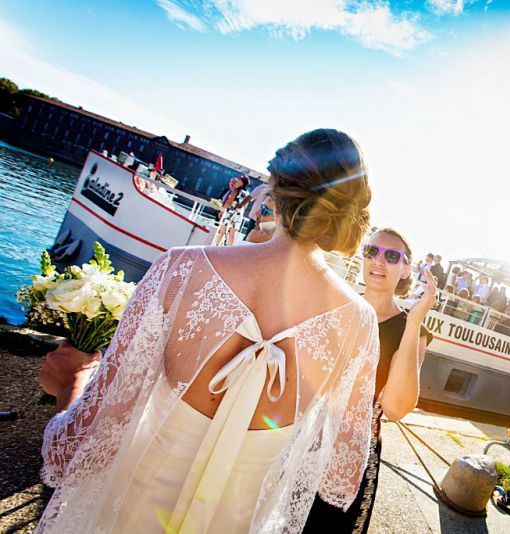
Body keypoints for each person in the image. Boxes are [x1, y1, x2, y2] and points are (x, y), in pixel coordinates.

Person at [36, 129, 379, 533]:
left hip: (133, 513)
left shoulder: (181, 269)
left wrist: (71, 384)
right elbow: (340, 478)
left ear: (275, 187)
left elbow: (83, 443)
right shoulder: (359, 323)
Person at [304, 228, 434, 533]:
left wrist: (414, 321)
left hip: (352, 458)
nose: (379, 261)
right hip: (306, 440)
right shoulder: (339, 308)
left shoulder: (411, 330)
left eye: (392, 256)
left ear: (406, 270)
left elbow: (395, 408)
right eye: (372, 251)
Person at [214, 174, 251, 246]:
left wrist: (222, 210)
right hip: (239, 214)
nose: (237, 181)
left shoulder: (236, 190)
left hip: (230, 212)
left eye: (239, 180)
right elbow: (245, 206)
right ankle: (228, 249)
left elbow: (229, 201)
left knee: (223, 230)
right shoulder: (247, 194)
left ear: (241, 182)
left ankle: (217, 245)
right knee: (232, 233)